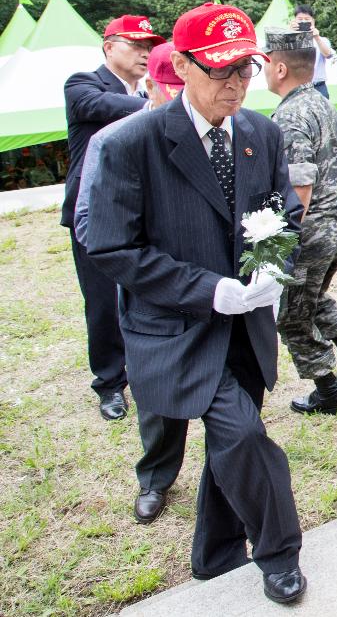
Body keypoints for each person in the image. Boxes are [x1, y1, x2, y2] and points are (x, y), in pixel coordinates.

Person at [84, 3, 307, 604]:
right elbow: (109, 244)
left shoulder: (261, 132)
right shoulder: (133, 143)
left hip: (245, 324)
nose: (235, 84)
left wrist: (268, 272)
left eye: (244, 69)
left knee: (229, 445)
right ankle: (280, 551)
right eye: (219, 71)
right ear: (181, 66)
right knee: (242, 435)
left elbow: (281, 210)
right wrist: (211, 289)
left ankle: (214, 554)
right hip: (176, 327)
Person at [75, 41, 191, 525]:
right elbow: (88, 224)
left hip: (212, 290)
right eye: (177, 90)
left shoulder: (227, 134)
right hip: (152, 293)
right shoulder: (116, 141)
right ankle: (156, 478)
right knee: (158, 395)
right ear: (156, 85)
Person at [263, 28, 337, 416]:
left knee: (291, 314)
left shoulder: (290, 115)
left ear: (278, 67)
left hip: (313, 231)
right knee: (310, 296)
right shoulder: (318, 101)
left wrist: (283, 239)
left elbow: (301, 183)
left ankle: (328, 390)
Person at [63, 15, 163, 420]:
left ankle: (149, 370)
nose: (143, 52)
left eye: (148, 46)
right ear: (108, 47)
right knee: (103, 300)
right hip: (96, 209)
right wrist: (157, 103)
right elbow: (98, 106)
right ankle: (109, 383)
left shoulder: (153, 92)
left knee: (148, 293)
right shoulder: (83, 83)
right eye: (134, 44)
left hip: (145, 207)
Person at [293, 4, 335, 100]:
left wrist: (316, 37)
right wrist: (290, 33)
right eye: (300, 19)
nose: (303, 21)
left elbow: (328, 54)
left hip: (318, 86)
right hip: (297, 87)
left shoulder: (322, 40)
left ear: (313, 21)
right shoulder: (290, 39)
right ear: (294, 20)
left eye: (307, 19)